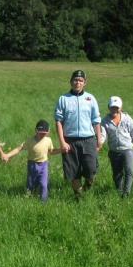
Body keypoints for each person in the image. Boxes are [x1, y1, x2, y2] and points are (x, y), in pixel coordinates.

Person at [54, 69, 103, 201]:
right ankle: (79, 198)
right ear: (71, 81)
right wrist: (62, 142)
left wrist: (99, 139)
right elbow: (58, 121)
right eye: (75, 80)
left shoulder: (90, 99)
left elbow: (96, 120)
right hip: (70, 140)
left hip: (88, 139)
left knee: (91, 170)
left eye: (81, 80)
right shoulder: (63, 99)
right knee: (73, 172)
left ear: (84, 83)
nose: (78, 83)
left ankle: (87, 186)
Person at [100, 96, 133, 197]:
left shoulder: (127, 119)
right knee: (117, 174)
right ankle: (119, 192)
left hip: (128, 150)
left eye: (117, 108)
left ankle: (126, 193)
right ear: (108, 107)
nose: (114, 110)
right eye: (112, 107)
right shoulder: (105, 121)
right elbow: (102, 136)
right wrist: (97, 144)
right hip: (114, 151)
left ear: (121, 108)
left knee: (129, 171)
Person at [5, 120, 62, 203]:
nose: (42, 135)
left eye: (44, 133)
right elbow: (19, 148)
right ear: (36, 130)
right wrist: (8, 155)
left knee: (43, 184)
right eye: (40, 133)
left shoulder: (48, 140)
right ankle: (28, 198)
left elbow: (51, 151)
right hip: (32, 165)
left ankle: (43, 201)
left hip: (43, 165)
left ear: (48, 131)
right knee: (30, 184)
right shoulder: (29, 140)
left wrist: (61, 150)